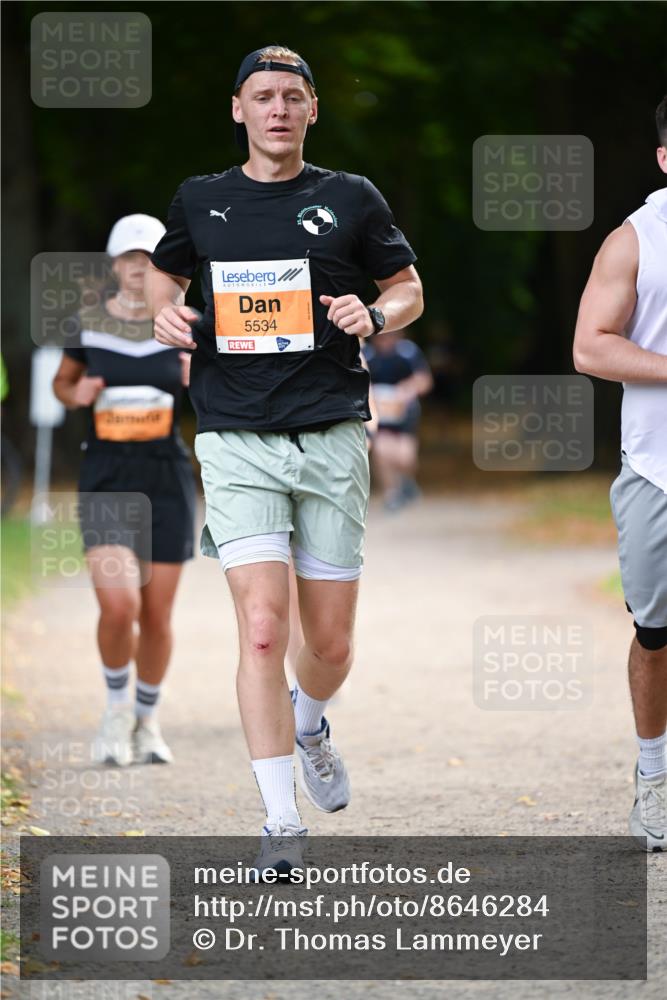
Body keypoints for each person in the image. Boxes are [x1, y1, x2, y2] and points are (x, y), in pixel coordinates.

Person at [148, 45, 423, 873]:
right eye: (262, 96)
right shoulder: (201, 200)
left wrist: (373, 312)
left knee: (329, 645)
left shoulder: (349, 198)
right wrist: (167, 316)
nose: (277, 110)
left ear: (310, 111)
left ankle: (311, 723)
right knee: (264, 630)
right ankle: (279, 823)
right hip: (234, 437)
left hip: (331, 430)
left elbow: (410, 287)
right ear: (238, 109)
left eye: (292, 97)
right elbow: (164, 284)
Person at [53, 214, 196, 768]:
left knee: (157, 617)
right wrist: (77, 391)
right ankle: (114, 712)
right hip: (107, 478)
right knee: (120, 606)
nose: (140, 271)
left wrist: (198, 376)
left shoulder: (185, 325)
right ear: (115, 266)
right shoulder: (86, 325)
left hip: (165, 476)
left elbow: (227, 391)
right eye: (131, 260)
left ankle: (147, 720)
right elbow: (62, 385)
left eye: (150, 260)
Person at [573, 96, 667, 851]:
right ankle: (654, 778)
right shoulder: (635, 238)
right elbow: (590, 348)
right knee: (657, 632)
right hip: (657, 469)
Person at [363, 328, 433, 510]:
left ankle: (407, 482)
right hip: (380, 413)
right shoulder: (367, 355)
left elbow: (424, 380)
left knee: (405, 457)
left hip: (404, 413)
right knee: (381, 452)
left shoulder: (408, 352)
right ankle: (391, 493)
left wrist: (408, 389)